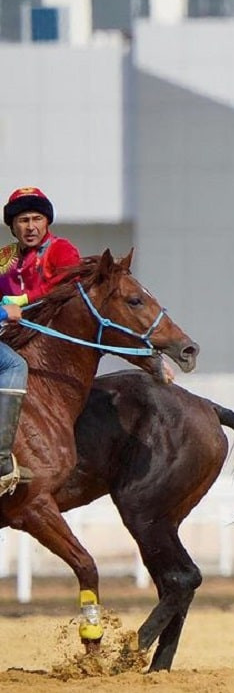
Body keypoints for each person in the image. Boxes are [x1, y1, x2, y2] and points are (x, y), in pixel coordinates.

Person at [0, 187, 82, 489]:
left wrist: (20, 300)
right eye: (23, 220)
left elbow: (69, 286)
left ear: (46, 222)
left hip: (52, 341)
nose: (30, 226)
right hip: (15, 335)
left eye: (36, 218)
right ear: (13, 226)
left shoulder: (61, 250)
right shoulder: (4, 259)